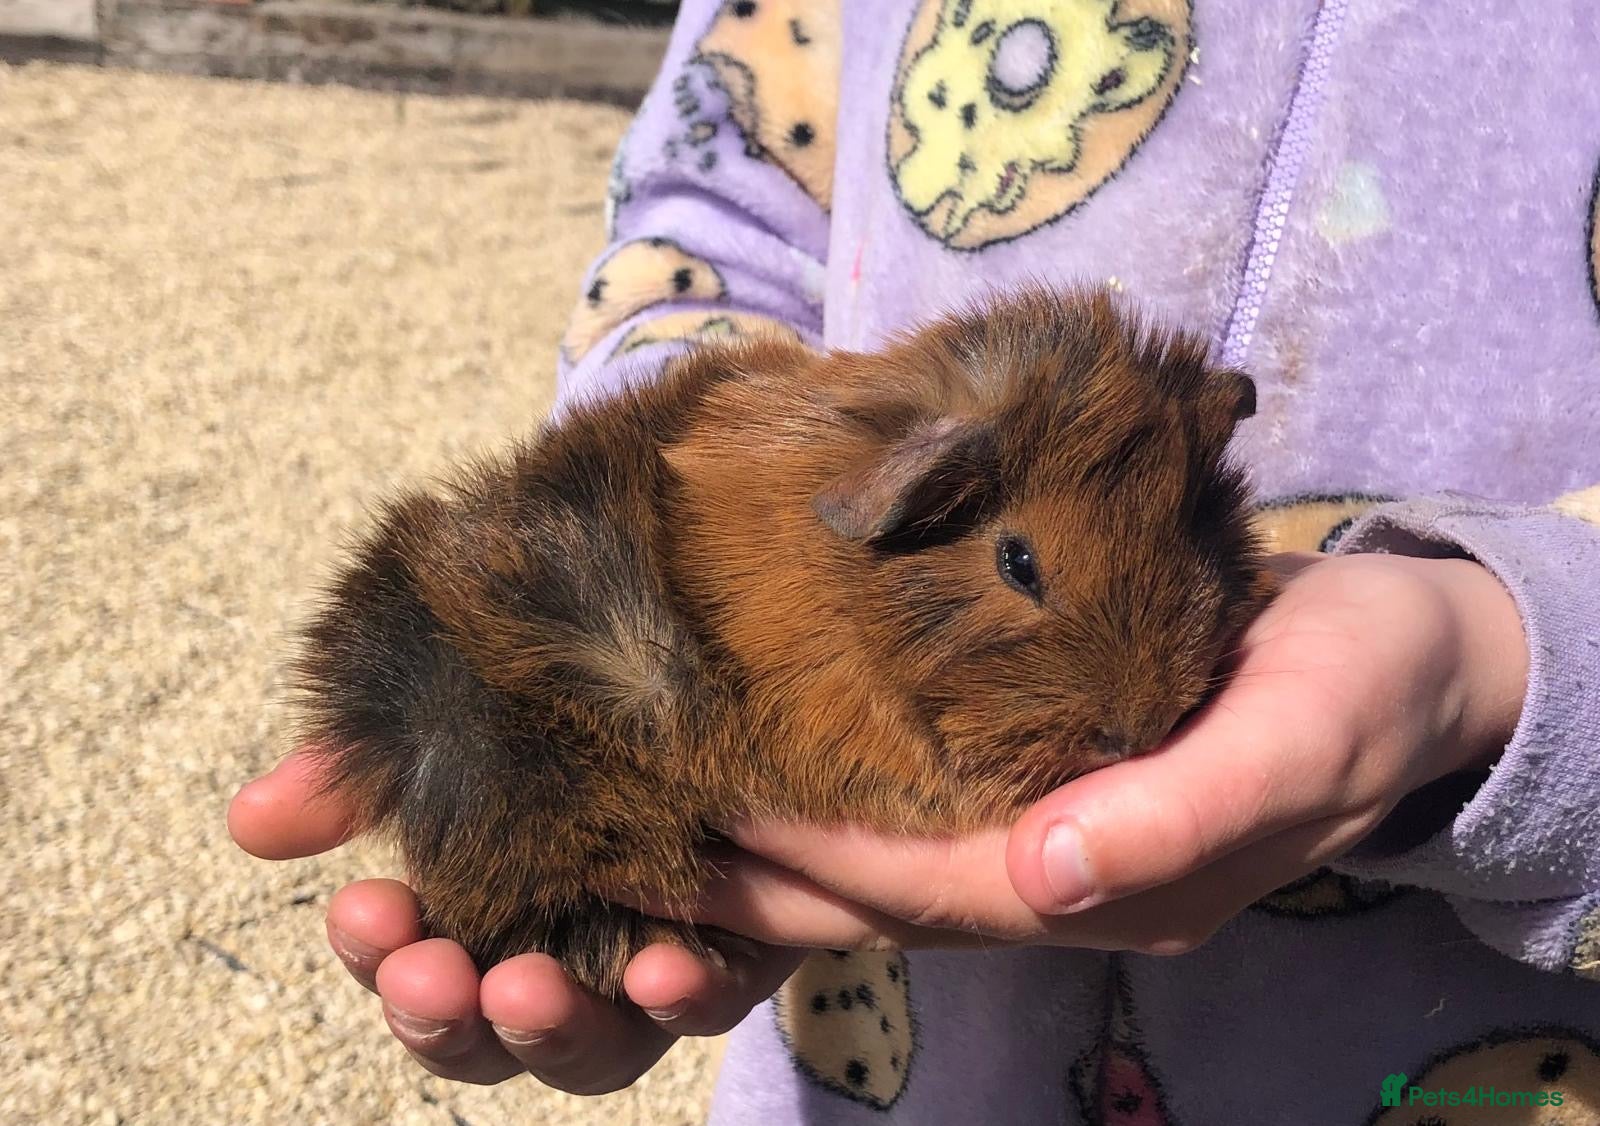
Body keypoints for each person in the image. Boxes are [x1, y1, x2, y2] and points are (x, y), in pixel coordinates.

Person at [231, 0, 1600, 1119]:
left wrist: (1506, 665)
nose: (1143, 695)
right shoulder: (789, 574)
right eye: (1023, 567)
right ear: (912, 496)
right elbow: (716, 212)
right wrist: (632, 438)